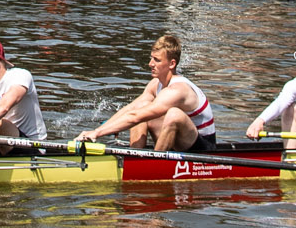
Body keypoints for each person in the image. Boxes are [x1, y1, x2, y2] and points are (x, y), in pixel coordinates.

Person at [76, 34, 216, 150]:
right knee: (142, 106)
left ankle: (155, 165)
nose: (150, 64)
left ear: (172, 64)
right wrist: (97, 131)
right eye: (151, 58)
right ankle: (136, 158)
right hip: (180, 143)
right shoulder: (156, 84)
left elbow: (135, 117)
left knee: (174, 114)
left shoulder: (178, 90)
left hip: (203, 148)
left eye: (156, 60)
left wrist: (97, 133)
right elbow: (131, 109)